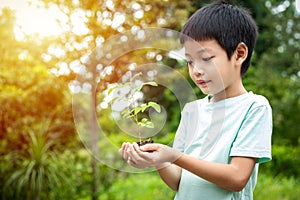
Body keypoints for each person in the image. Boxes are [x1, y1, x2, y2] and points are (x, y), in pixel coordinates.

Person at [119, 1, 272, 199]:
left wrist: (174, 156)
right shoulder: (192, 111)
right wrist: (158, 160)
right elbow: (178, 181)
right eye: (190, 61)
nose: (196, 70)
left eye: (206, 58)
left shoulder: (254, 107)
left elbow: (237, 178)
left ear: (239, 54)